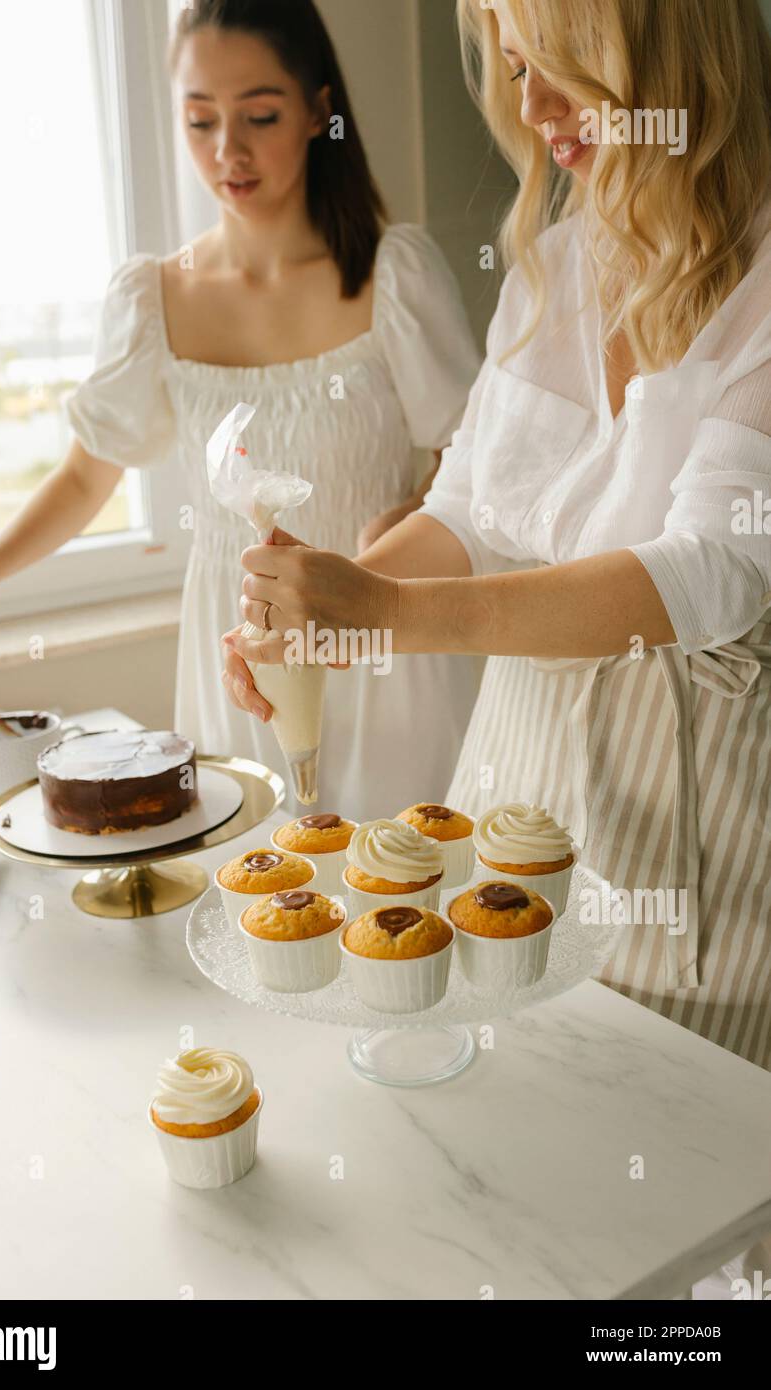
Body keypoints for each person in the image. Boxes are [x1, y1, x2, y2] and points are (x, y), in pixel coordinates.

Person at [223, 0, 771, 1295]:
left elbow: (709, 572)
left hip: (691, 838)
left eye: (561, 70)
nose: (529, 113)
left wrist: (390, 615)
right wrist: (334, 601)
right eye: (513, 70)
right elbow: (469, 510)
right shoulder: (562, 260)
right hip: (510, 795)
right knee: (511, 1190)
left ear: (667, 58)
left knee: (678, 1218)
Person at [0, 0, 482, 821]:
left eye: (260, 115)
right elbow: (83, 475)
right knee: (260, 905)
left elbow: (474, 458)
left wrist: (410, 510)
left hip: (380, 647)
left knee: (401, 908)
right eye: (200, 119)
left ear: (321, 109)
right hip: (236, 660)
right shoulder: (154, 297)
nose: (227, 152)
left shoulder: (397, 276)